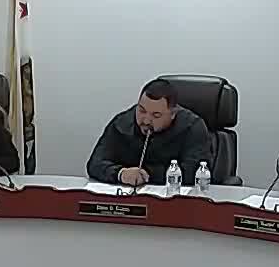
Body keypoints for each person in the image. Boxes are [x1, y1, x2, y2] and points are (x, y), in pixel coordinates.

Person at [86, 78, 216, 187]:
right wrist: (121, 173)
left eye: (156, 115)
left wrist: (147, 174)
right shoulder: (122, 124)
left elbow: (195, 172)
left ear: (173, 114)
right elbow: (95, 163)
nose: (146, 120)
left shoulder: (192, 127)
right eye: (142, 110)